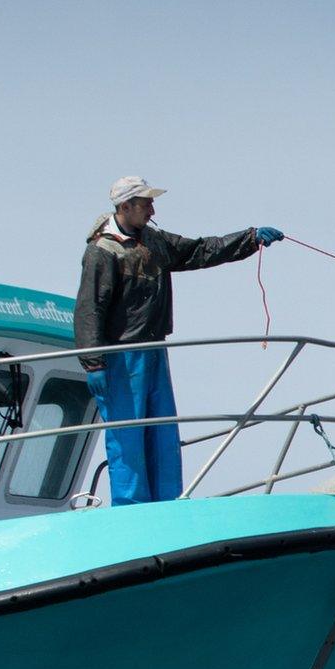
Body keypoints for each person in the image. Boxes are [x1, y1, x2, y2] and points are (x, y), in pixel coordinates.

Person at [73, 177, 284, 506]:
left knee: (163, 434)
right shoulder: (102, 252)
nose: (152, 208)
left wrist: (250, 239)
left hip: (154, 350)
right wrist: (94, 362)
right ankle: (131, 509)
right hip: (121, 357)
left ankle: (167, 505)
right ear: (125, 207)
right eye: (145, 203)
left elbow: (199, 250)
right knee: (127, 436)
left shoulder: (154, 242)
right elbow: (89, 309)